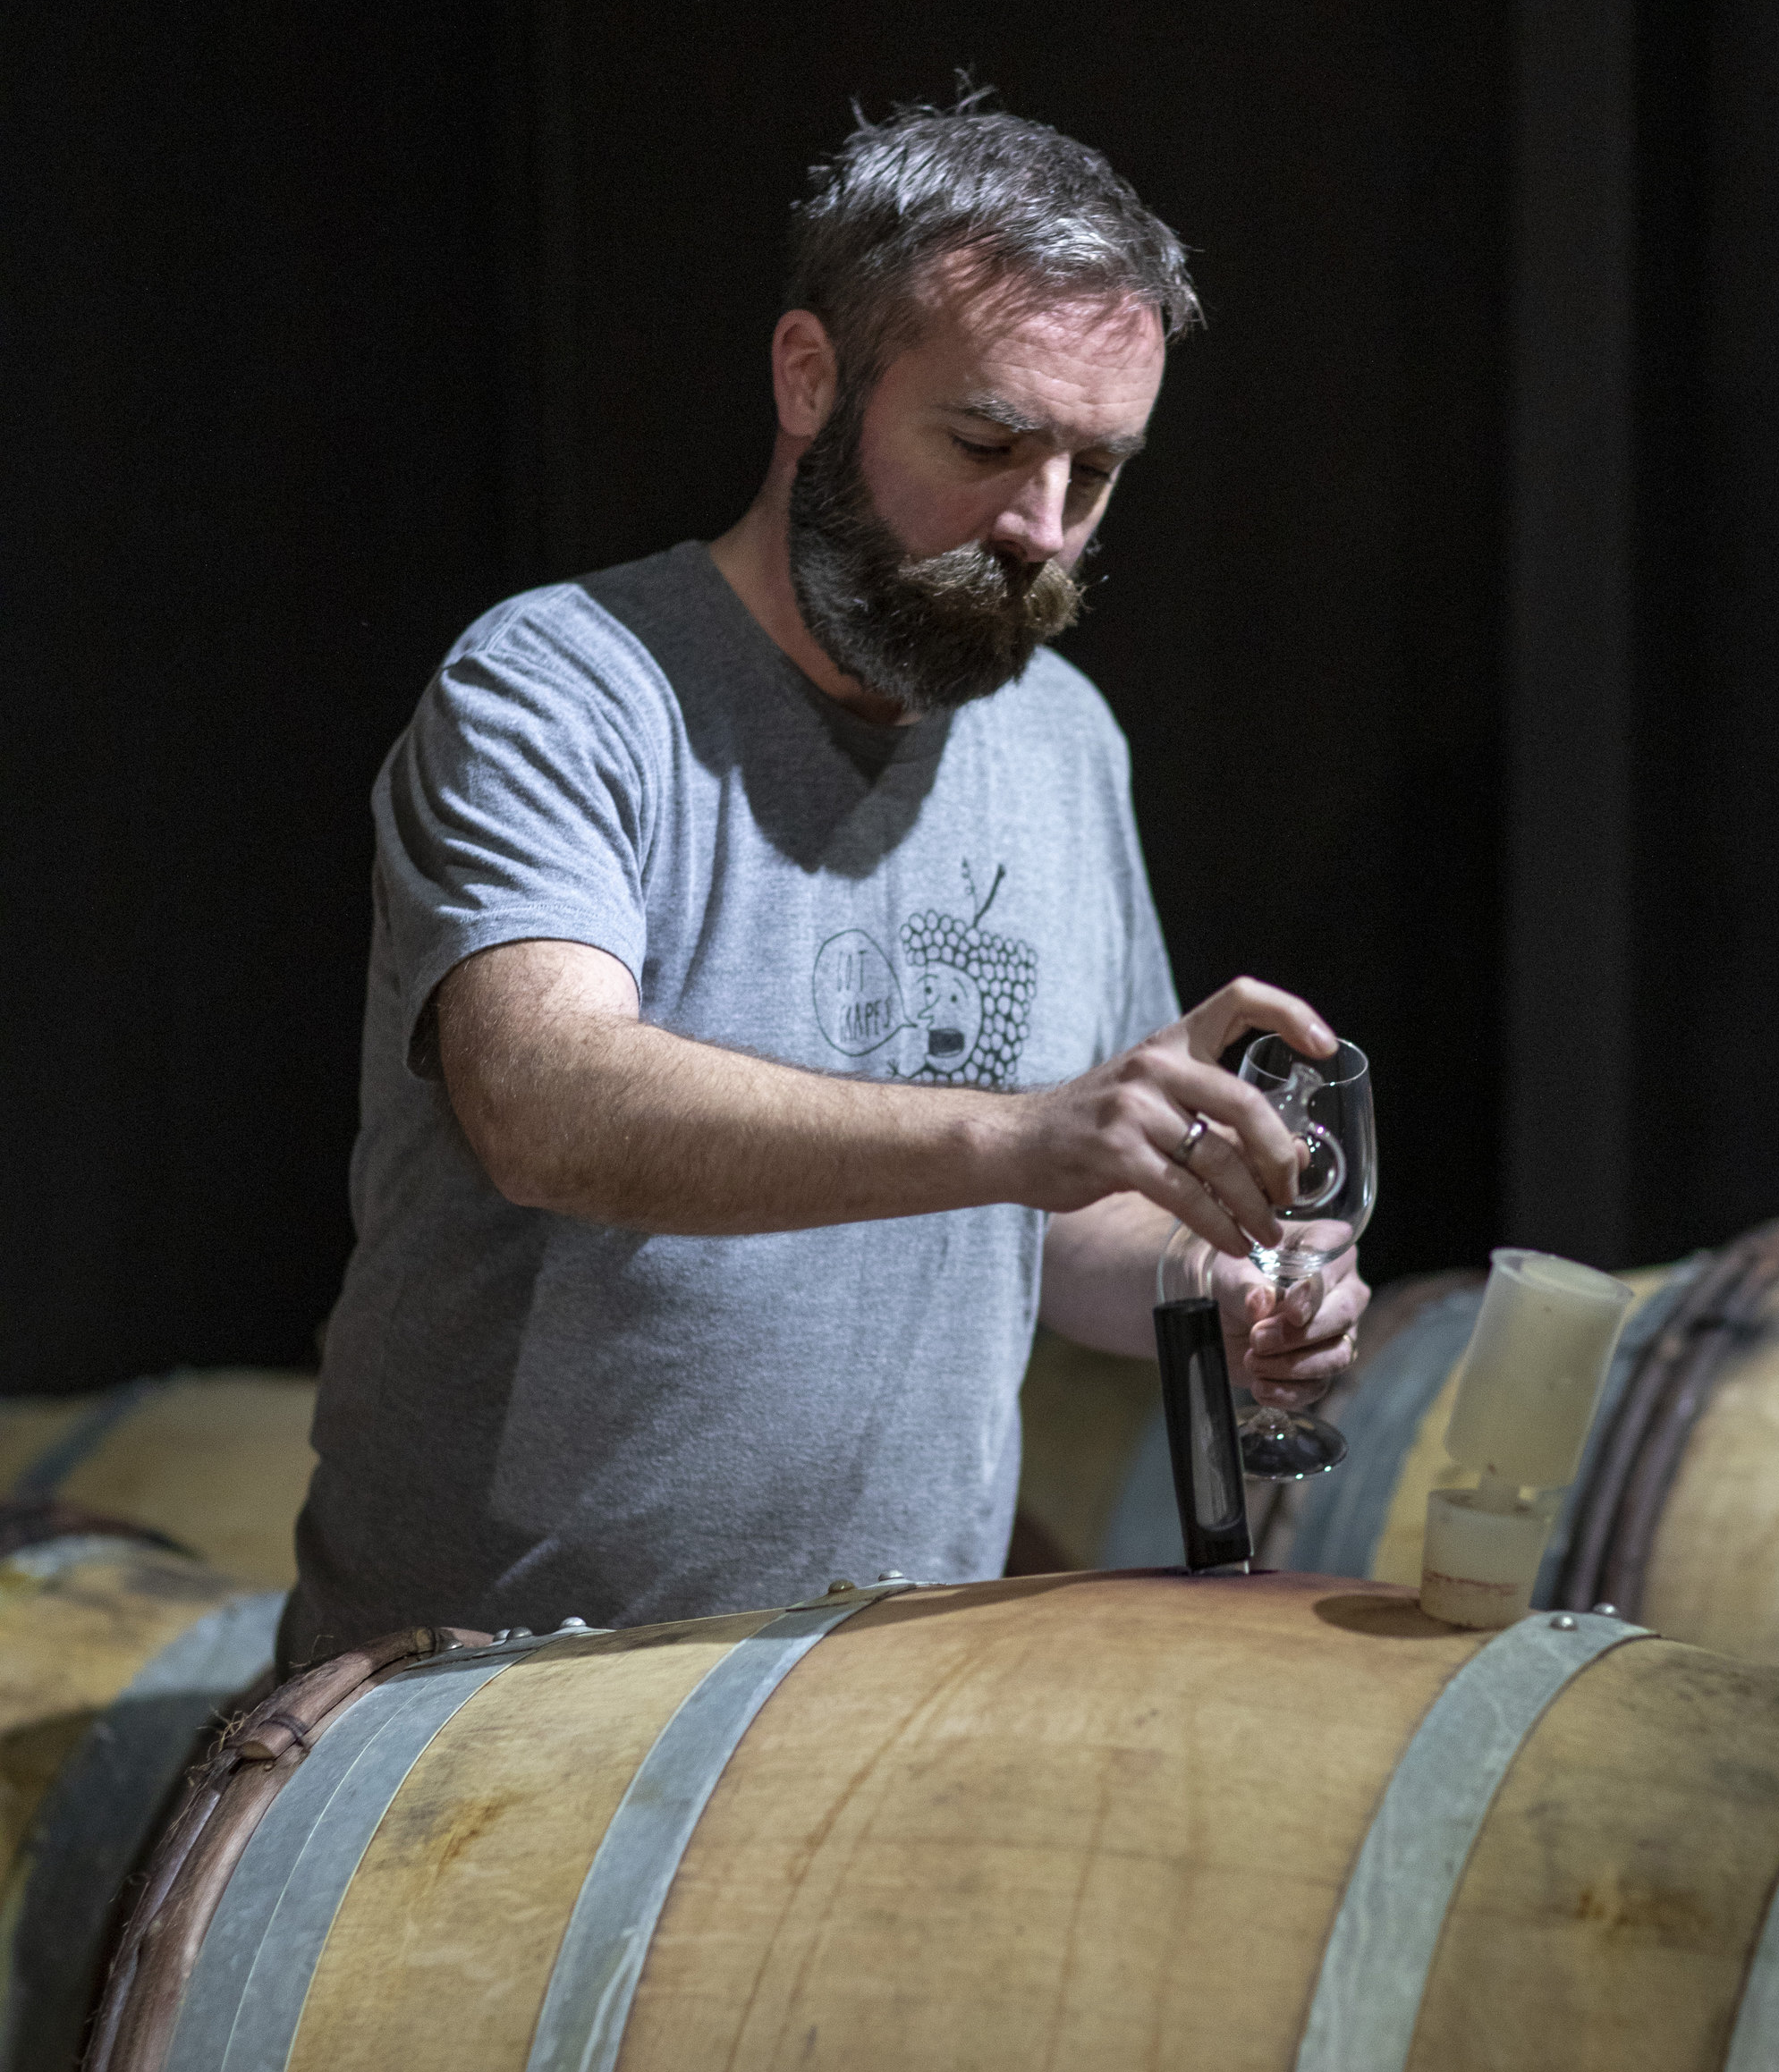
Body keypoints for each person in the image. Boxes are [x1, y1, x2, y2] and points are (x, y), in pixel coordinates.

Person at [283, 96, 1366, 1664]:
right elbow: (543, 1103)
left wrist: (1223, 1273)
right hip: (483, 1698)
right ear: (810, 377)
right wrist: (1026, 1132)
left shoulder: (1066, 743)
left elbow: (1056, 1225)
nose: (1040, 530)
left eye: (1097, 469)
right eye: (987, 443)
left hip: (856, 1710)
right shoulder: (562, 690)